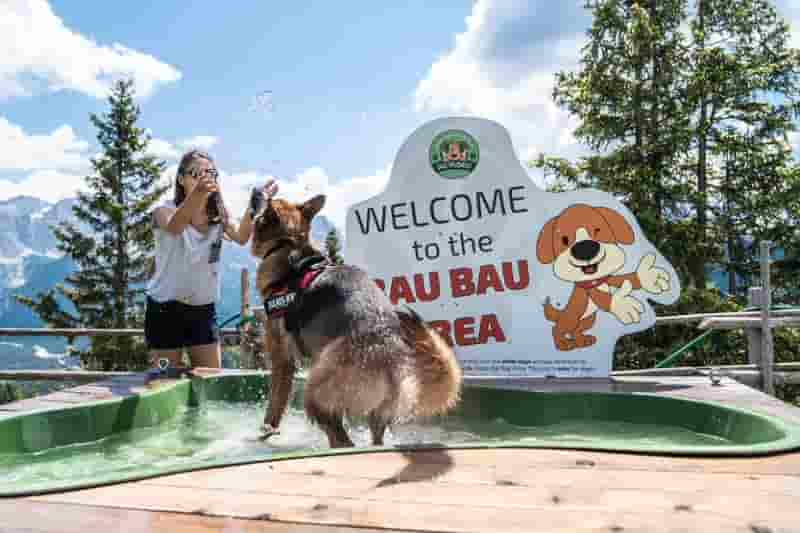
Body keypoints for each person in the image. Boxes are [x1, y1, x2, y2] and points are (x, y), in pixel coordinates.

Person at [145, 149, 278, 371]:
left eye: (211, 173)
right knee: (163, 378)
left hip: (202, 309)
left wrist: (256, 204)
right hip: (164, 310)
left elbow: (241, 237)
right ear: (181, 179)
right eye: (197, 173)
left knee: (210, 379)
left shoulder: (219, 216)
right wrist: (197, 194)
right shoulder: (163, 211)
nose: (205, 178)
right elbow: (175, 227)